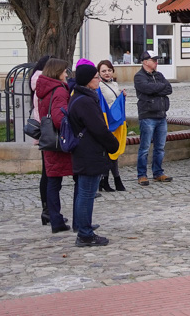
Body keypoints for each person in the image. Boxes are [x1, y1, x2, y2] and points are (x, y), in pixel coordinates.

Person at [69, 63, 120, 246]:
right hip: (88, 151)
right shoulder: (84, 101)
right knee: (86, 193)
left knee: (86, 192)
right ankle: (85, 234)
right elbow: (98, 128)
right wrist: (113, 144)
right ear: (87, 80)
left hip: (86, 151)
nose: (99, 80)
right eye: (96, 77)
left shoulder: (81, 96)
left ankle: (85, 228)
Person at [35, 58, 75, 233]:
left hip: (49, 140)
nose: (66, 74)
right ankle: (58, 221)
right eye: (65, 71)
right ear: (57, 72)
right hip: (59, 142)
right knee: (57, 182)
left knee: (52, 180)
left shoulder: (44, 89)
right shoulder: (59, 91)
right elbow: (60, 119)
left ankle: (54, 218)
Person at [134, 50, 173, 185]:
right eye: (153, 60)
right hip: (147, 116)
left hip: (161, 116)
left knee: (160, 148)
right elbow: (146, 88)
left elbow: (169, 89)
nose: (156, 62)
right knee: (144, 148)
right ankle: (142, 175)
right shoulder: (139, 77)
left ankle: (158, 172)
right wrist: (158, 88)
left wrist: (155, 88)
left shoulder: (159, 75)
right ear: (145, 62)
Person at [97, 60, 127, 191]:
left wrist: (122, 96)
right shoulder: (99, 86)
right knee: (107, 152)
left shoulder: (115, 84)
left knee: (113, 151)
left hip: (115, 121)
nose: (107, 73)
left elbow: (115, 101)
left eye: (109, 70)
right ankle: (106, 180)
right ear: (99, 73)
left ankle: (114, 179)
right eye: (104, 71)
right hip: (106, 122)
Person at [31, 55, 53, 226]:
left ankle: (47, 210)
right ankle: (47, 210)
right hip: (47, 131)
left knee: (47, 172)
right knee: (48, 173)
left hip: (43, 131)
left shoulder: (38, 82)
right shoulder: (42, 83)